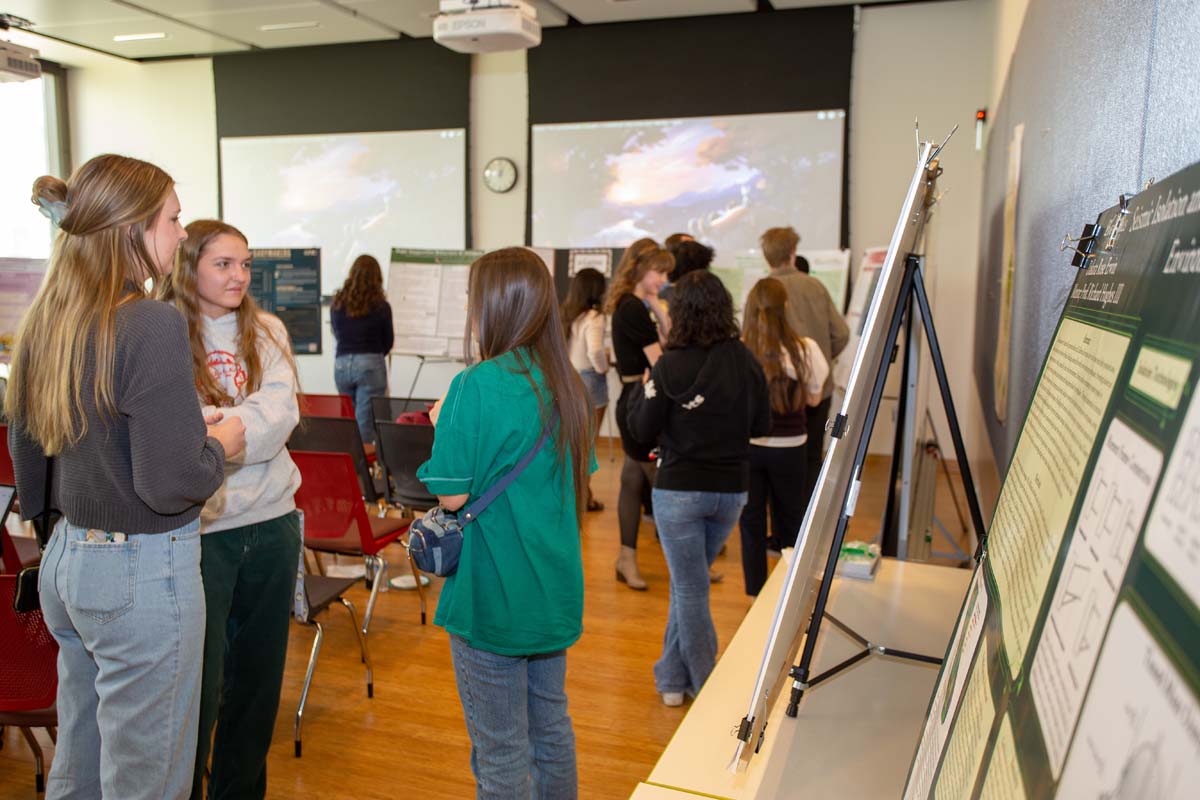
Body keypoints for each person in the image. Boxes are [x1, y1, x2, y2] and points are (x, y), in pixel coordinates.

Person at [7, 155, 245, 800]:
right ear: (134, 228)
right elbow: (172, 483)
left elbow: (27, 447)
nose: (178, 233)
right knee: (147, 781)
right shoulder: (148, 319)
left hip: (64, 562)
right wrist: (219, 444)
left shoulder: (49, 319)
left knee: (79, 764)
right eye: (171, 219)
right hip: (141, 573)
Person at [417, 247, 593, 799]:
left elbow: (451, 495)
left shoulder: (475, 385)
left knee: (499, 753)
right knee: (551, 732)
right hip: (553, 593)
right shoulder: (568, 385)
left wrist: (443, 419)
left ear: (491, 307)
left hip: (492, 598)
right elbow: (572, 478)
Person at [160, 219, 302, 800]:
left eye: (245, 264)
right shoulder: (162, 331)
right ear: (189, 264)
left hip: (272, 524)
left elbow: (281, 411)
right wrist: (227, 433)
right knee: (200, 681)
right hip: (204, 530)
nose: (239, 276)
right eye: (223, 264)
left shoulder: (266, 329)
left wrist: (216, 434)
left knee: (258, 684)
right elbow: (172, 432)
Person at [627, 271, 770, 705]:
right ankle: (671, 678)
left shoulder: (669, 365)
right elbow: (761, 426)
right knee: (688, 584)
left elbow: (639, 431)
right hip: (731, 493)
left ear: (681, 314)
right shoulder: (746, 361)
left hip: (680, 492)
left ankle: (707, 685)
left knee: (690, 588)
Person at [738, 278, 829, 595]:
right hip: (791, 447)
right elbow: (815, 400)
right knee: (790, 519)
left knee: (750, 522)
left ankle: (754, 595)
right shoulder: (806, 349)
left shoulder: (740, 350)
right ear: (786, 308)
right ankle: (789, 593)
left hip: (748, 448)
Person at [759, 226, 849, 515]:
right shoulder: (815, 287)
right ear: (792, 253)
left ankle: (780, 527)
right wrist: (818, 364)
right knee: (811, 457)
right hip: (816, 390)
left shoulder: (761, 291)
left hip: (777, 391)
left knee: (775, 454)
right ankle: (805, 521)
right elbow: (842, 334)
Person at [605, 238, 673, 590]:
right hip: (637, 402)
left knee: (633, 480)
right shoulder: (631, 308)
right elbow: (663, 359)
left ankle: (626, 559)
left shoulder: (635, 304)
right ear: (640, 268)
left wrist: (657, 305)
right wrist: (657, 309)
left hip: (636, 398)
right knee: (662, 485)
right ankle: (684, 562)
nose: (663, 278)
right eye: (659, 271)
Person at [331, 254, 394, 445]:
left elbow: (336, 332)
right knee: (365, 425)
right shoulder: (381, 306)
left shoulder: (337, 303)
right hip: (370, 364)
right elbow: (388, 341)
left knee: (348, 420)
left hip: (341, 364)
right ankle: (362, 472)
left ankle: (349, 466)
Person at [562, 267, 609, 512]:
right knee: (588, 445)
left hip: (569, 380)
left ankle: (581, 493)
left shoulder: (568, 314)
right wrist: (603, 367)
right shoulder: (595, 317)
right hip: (591, 381)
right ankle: (583, 497)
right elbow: (595, 351)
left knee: (573, 443)